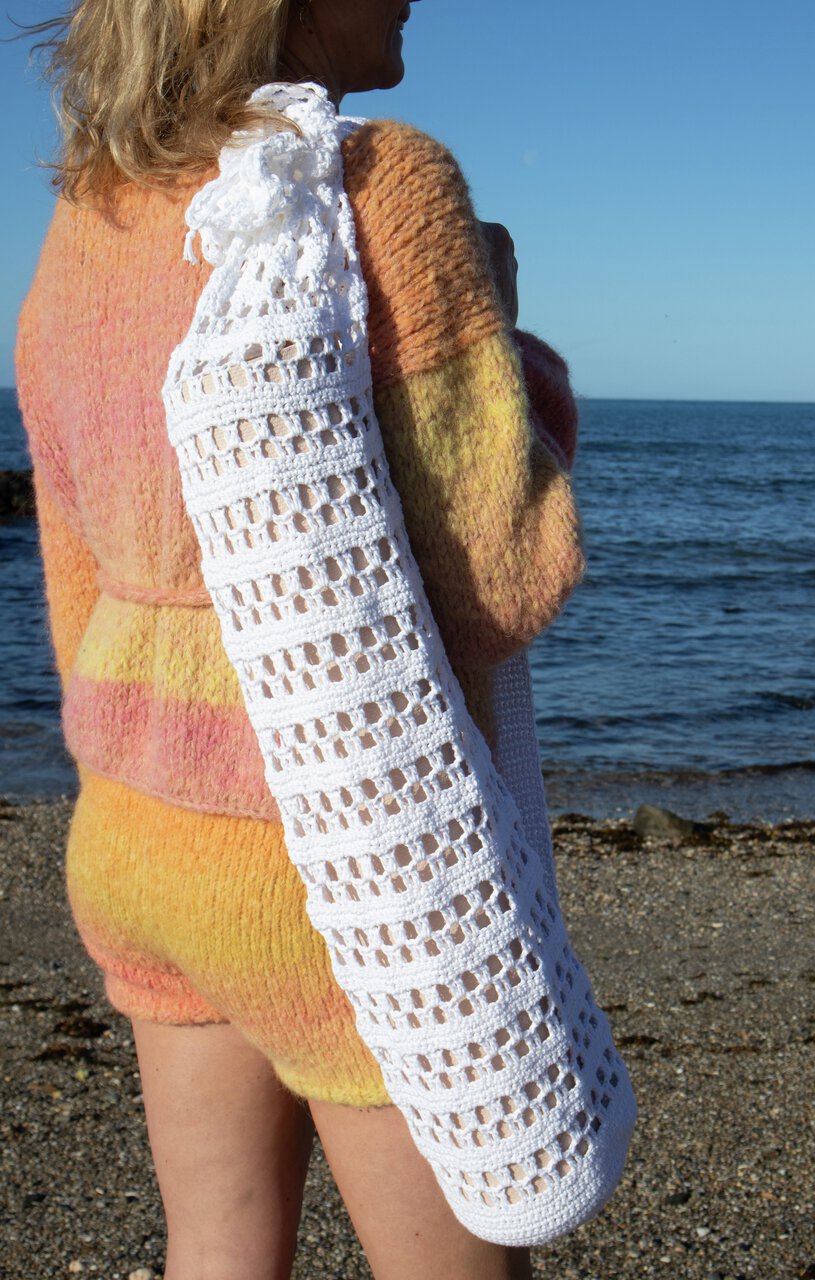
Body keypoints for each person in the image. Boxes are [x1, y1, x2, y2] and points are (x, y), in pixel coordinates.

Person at [16, 2, 633, 1277]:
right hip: (340, 861)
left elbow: (71, 579)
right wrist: (510, 347)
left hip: (130, 833)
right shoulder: (379, 184)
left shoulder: (88, 217)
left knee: (217, 1246)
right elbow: (503, 577)